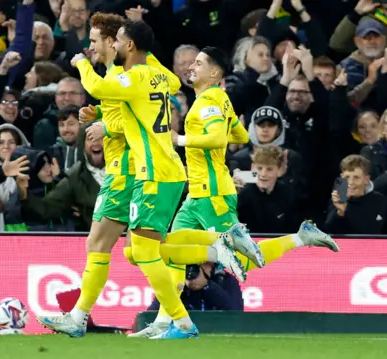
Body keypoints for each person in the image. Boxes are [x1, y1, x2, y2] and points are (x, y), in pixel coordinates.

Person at [37, 19, 239, 340]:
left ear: (120, 44)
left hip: (136, 170)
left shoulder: (124, 75)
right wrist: (102, 114)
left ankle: (181, 316)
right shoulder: (143, 73)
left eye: (102, 39)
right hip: (158, 170)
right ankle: (211, 254)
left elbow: (111, 95)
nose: (92, 46)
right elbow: (163, 88)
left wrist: (82, 71)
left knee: (121, 248)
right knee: (140, 250)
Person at [132, 47, 340, 338]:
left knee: (242, 261)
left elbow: (218, 137)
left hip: (212, 193)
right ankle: (170, 321)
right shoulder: (216, 100)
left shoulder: (208, 101)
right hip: (197, 194)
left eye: (200, 63)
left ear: (214, 73)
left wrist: (178, 138)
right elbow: (240, 136)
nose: (192, 65)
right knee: (173, 253)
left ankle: (300, 237)